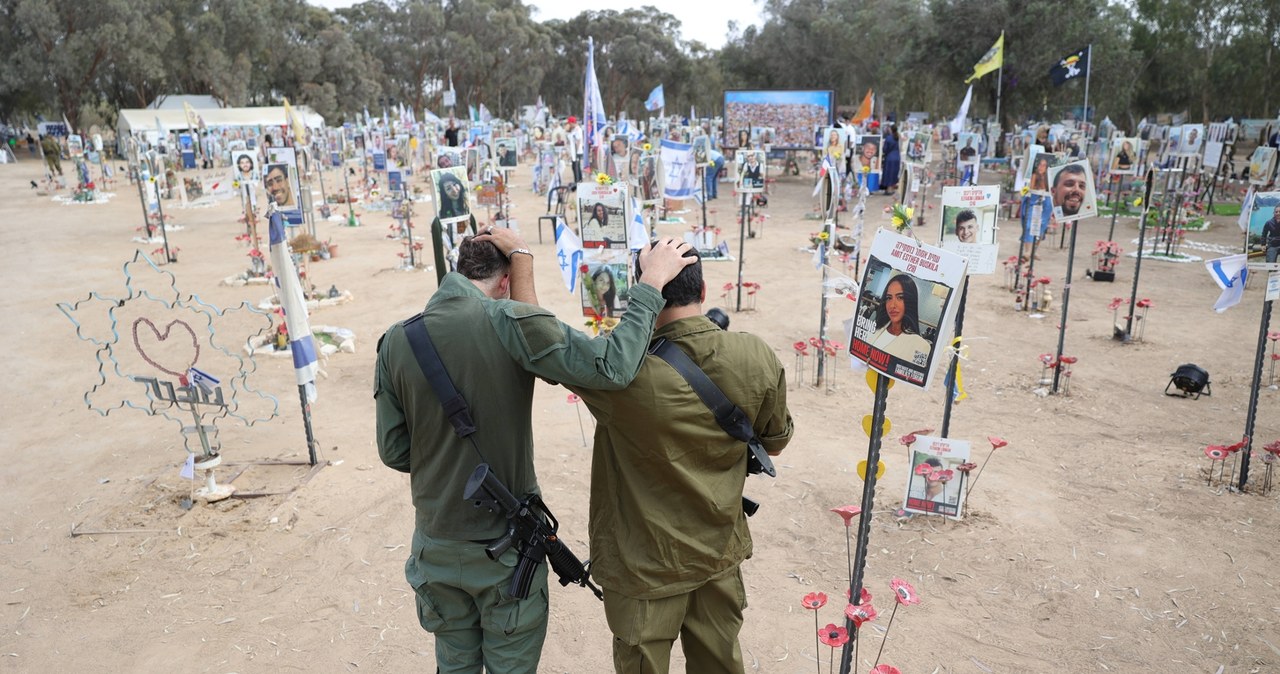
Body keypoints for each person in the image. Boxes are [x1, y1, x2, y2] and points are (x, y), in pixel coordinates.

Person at [376, 230, 695, 674]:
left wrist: (446, 457)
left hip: (435, 548)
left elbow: (394, 452)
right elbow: (613, 366)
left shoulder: (397, 339)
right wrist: (650, 285)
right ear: (506, 282)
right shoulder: (509, 323)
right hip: (502, 549)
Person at [567, 244, 793, 673]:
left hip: (644, 569)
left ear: (641, 292)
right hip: (716, 554)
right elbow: (775, 444)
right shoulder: (755, 355)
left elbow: (539, 343)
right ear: (703, 289)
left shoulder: (618, 375)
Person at [868, 274, 932, 364]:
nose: (892, 305)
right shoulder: (877, 329)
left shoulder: (922, 346)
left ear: (910, 301)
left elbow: (915, 377)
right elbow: (858, 366)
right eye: (889, 298)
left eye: (900, 297)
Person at [881, 125, 900, 193]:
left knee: (888, 173)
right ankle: (892, 188)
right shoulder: (897, 137)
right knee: (894, 173)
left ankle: (888, 189)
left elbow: (885, 149)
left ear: (891, 130)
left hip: (890, 158)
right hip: (897, 157)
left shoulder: (889, 138)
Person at [566, 117, 583, 184]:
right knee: (574, 167)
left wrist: (576, 151)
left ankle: (578, 181)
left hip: (577, 151)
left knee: (576, 167)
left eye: (569, 123)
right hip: (573, 151)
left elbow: (578, 140)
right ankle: (578, 181)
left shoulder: (578, 129)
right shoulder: (573, 130)